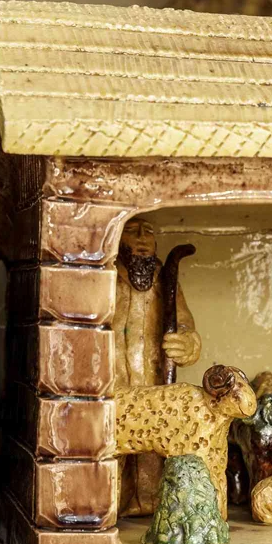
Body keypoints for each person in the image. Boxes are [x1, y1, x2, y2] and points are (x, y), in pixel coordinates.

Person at [113, 217, 202, 516]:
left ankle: (149, 502)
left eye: (148, 232)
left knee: (153, 446)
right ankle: (113, 503)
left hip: (153, 384)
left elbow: (185, 323)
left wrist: (187, 343)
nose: (142, 238)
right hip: (114, 384)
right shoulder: (105, 277)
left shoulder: (166, 282)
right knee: (113, 448)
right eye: (132, 231)